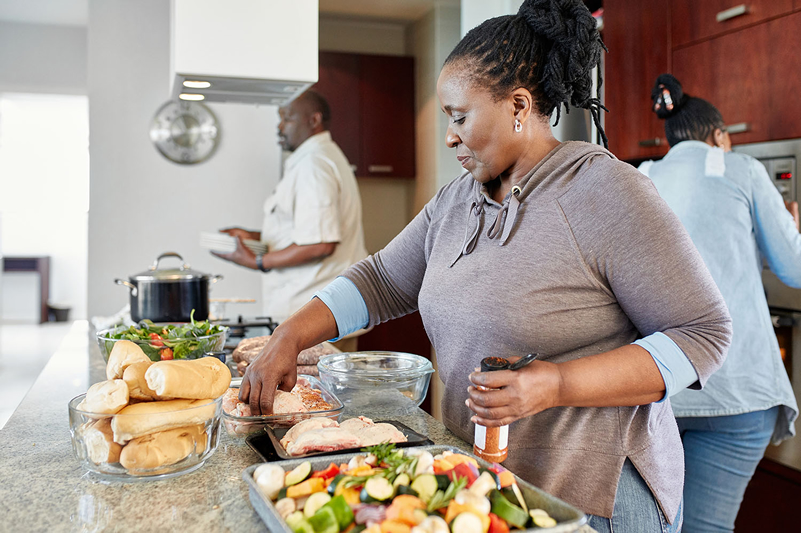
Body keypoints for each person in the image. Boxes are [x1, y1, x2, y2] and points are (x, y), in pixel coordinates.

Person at [240, 1, 732, 530]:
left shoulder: (605, 193)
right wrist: (289, 336)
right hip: (489, 484)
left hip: (596, 499)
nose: (449, 136)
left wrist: (556, 385)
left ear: (518, 105)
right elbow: (381, 280)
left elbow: (703, 335)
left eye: (459, 117)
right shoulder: (456, 201)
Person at [639, 74, 799, 533]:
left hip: (655, 390)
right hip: (738, 391)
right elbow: (794, 270)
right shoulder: (743, 169)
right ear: (719, 137)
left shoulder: (639, 178)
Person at [213, 89, 367, 325]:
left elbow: (320, 244)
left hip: (315, 314)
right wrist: (253, 237)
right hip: (315, 312)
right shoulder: (316, 159)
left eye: (287, 118)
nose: (280, 127)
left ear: (314, 120)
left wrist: (258, 262)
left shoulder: (313, 165)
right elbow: (304, 230)